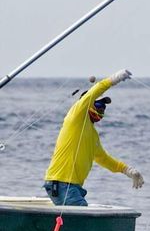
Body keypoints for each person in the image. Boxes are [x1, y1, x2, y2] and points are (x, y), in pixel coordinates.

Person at [43, 69, 144, 206]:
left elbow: (104, 159)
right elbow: (94, 92)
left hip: (74, 188)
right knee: (84, 218)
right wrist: (114, 79)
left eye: (103, 108)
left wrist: (128, 170)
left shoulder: (93, 134)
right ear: (87, 104)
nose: (101, 110)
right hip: (61, 184)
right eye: (98, 105)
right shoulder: (76, 116)